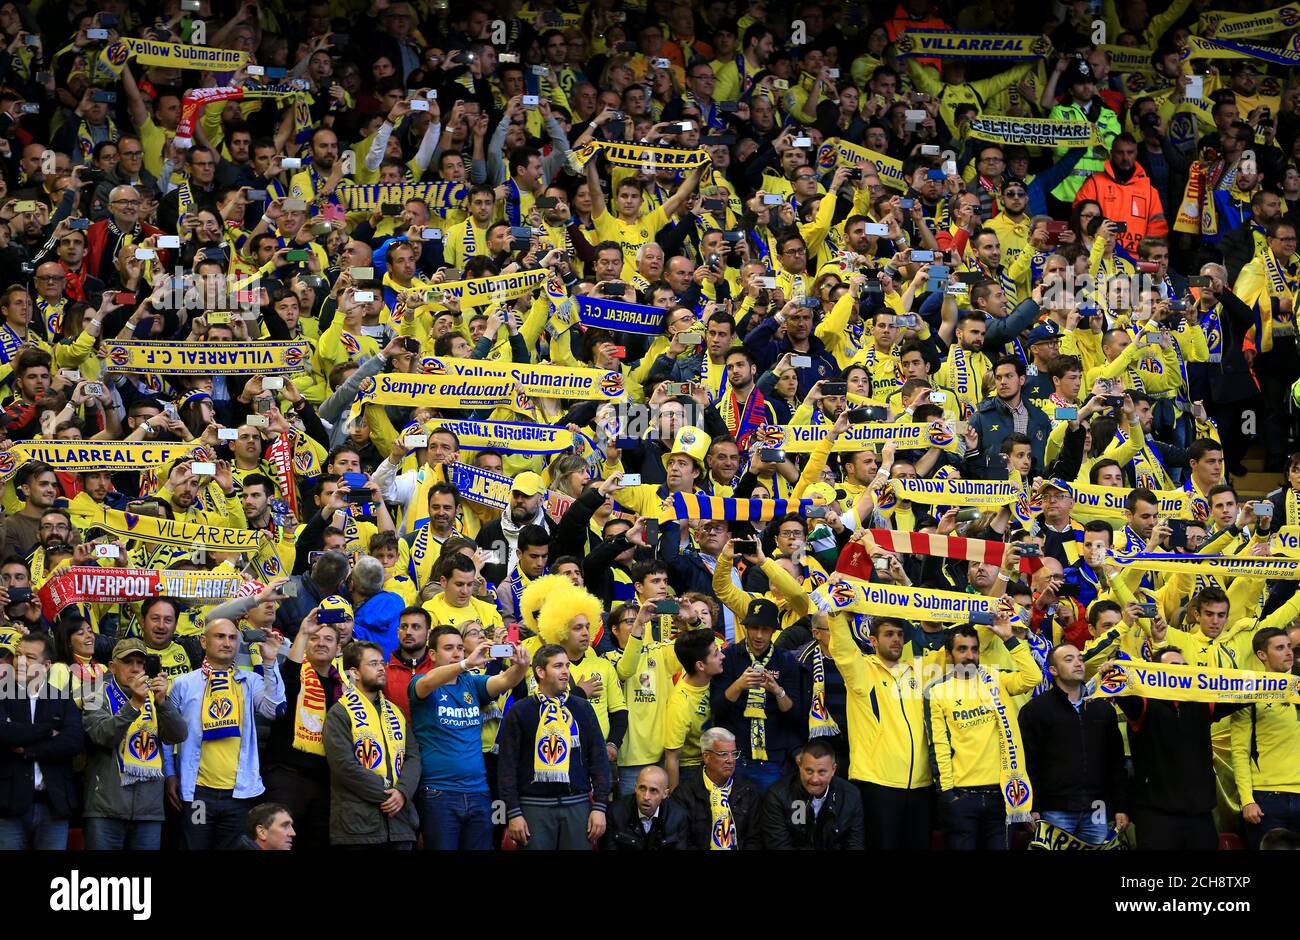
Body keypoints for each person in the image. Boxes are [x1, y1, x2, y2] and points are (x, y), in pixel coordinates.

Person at [1099, 650, 1249, 850]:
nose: (1181, 671)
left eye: (1184, 666)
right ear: (1157, 672)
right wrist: (1109, 673)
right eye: (1174, 666)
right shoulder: (1143, 704)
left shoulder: (1202, 702)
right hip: (1157, 817)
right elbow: (1121, 693)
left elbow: (1244, 693)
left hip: (1200, 815)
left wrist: (1278, 683)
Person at [165, 619, 286, 850]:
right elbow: (168, 735)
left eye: (232, 638)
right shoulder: (183, 684)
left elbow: (274, 710)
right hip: (198, 794)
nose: (227, 642)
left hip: (239, 796)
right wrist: (170, 774)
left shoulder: (251, 681)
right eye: (220, 636)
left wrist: (269, 662)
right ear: (203, 641)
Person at [925, 615, 1042, 850]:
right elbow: (939, 746)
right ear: (949, 655)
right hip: (962, 798)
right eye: (962, 649)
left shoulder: (994, 677)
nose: (970, 656)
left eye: (974, 649)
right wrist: (948, 794)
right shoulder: (937, 691)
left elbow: (1033, 677)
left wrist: (1009, 638)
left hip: (1001, 795)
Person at [408, 625, 529, 850]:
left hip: (479, 792)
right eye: (449, 648)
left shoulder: (472, 683)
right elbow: (428, 683)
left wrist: (522, 666)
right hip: (438, 793)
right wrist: (465, 664)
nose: (457, 653)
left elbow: (504, 681)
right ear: (432, 654)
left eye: (460, 648)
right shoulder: (421, 683)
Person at [496, 644, 610, 850]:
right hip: (533, 807)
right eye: (558, 666)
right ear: (540, 671)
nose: (565, 671)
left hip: (578, 804)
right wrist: (513, 812)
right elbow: (507, 766)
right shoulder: (520, 711)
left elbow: (599, 759)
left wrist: (600, 807)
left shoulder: (583, 708)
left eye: (567, 665)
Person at [80, 638, 187, 851]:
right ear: (112, 666)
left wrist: (163, 703)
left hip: (148, 810)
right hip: (106, 807)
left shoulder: (154, 697)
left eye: (140, 662)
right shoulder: (93, 692)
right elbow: (103, 735)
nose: (136, 668)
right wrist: (134, 704)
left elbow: (178, 734)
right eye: (128, 662)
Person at [1018, 644, 1129, 845]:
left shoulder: (1102, 709)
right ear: (1053, 670)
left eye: (1079, 658)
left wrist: (1121, 806)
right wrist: (1031, 806)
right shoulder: (1035, 710)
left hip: (1097, 807)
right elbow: (1029, 762)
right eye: (1068, 660)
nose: (1078, 663)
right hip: (1054, 809)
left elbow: (1115, 762)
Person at [323, 641, 423, 850]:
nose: (381, 668)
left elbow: (413, 757)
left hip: (400, 826)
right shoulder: (340, 712)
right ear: (355, 672)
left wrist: (402, 792)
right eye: (373, 664)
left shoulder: (395, 711)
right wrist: (388, 793)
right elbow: (343, 765)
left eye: (382, 663)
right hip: (358, 828)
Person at [0, 632, 85, 850]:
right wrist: (48, 731)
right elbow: (4, 732)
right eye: (17, 655)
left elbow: (74, 741)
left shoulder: (62, 698)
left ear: (46, 665)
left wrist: (29, 750)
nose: (20, 662)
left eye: (29, 657)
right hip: (9, 805)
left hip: (53, 804)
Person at [710, 597, 804, 794]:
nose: (759, 635)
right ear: (746, 628)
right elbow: (717, 708)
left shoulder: (786, 661)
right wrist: (738, 685)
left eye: (765, 629)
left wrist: (778, 691)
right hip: (736, 756)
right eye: (754, 628)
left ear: (773, 631)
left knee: (770, 818)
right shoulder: (729, 657)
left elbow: (795, 715)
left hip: (772, 757)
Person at [1231, 628, 1300, 850]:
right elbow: (1240, 751)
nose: (1288, 652)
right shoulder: (1249, 694)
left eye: (1289, 646)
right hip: (1266, 800)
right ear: (1262, 655)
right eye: (1280, 648)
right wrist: (1247, 800)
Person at [759, 739, 866, 850]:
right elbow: (778, 845)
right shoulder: (777, 795)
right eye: (809, 771)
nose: (815, 779)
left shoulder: (851, 795)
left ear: (833, 770)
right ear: (800, 766)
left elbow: (854, 844)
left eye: (822, 772)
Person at [670, 727, 762, 850]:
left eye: (734, 754)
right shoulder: (684, 794)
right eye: (723, 754)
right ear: (706, 757)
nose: (730, 760)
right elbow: (682, 842)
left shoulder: (748, 791)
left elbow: (754, 839)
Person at [602, 765, 692, 850]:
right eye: (642, 788)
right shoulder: (615, 812)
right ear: (635, 788)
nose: (646, 797)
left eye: (653, 790)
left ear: (665, 794)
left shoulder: (678, 817)